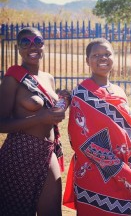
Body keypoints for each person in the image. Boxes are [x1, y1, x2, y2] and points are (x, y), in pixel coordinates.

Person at [63, 38, 131, 215]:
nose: (103, 58)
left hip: (126, 174)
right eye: (96, 55)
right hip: (97, 178)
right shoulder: (81, 94)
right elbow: (83, 143)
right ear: (87, 61)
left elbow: (129, 137)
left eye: (107, 54)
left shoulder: (119, 92)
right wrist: (124, 173)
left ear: (114, 57)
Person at [0, 27, 70, 216]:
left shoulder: (48, 78)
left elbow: (50, 114)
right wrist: (39, 118)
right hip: (20, 153)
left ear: (44, 45)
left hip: (47, 151)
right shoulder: (12, 78)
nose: (33, 46)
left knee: (53, 212)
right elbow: (1, 123)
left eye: (38, 41)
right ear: (18, 48)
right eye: (26, 42)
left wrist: (63, 104)